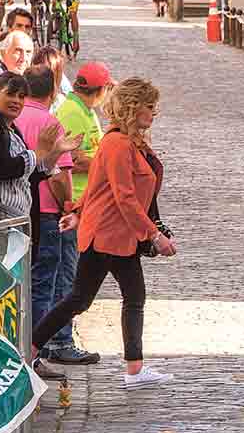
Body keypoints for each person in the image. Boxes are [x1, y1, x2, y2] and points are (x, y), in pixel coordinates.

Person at [32, 77, 178, 388]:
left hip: (115, 234)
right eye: (150, 108)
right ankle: (30, 350)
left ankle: (134, 369)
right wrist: (154, 235)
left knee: (104, 297)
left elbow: (100, 186)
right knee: (90, 298)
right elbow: (121, 194)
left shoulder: (127, 141)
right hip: (110, 235)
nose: (154, 113)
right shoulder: (117, 144)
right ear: (133, 108)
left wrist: (77, 214)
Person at [15, 65, 81, 369]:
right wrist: (68, 205)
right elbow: (59, 175)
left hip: (20, 211)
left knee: (27, 282)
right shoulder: (49, 121)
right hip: (48, 211)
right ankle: (42, 350)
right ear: (53, 90)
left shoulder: (14, 117)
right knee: (50, 283)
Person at [48, 61, 113, 365]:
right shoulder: (74, 111)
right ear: (99, 91)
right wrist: (103, 161)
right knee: (67, 276)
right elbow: (70, 155)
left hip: (82, 200)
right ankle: (60, 340)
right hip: (72, 201)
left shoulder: (83, 110)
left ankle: (57, 337)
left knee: (71, 275)